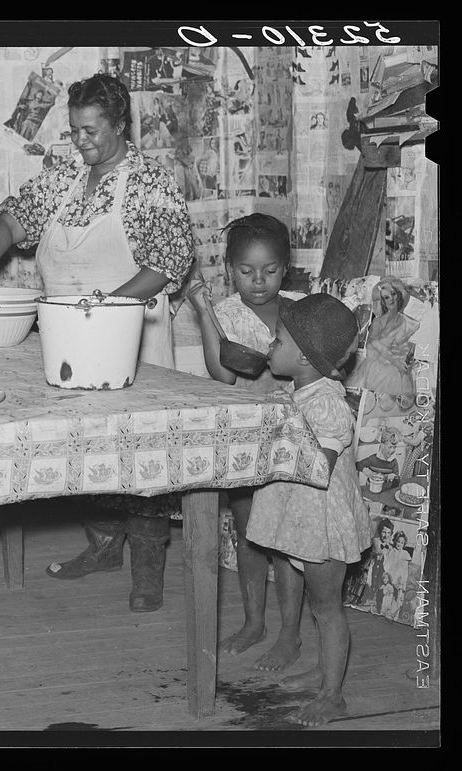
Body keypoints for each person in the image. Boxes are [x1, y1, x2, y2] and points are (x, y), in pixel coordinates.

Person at [0, 73, 195, 611]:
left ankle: (148, 570)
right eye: (75, 130)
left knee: (140, 455)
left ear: (120, 125)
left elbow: (167, 262)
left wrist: (108, 305)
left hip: (131, 334)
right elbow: (14, 219)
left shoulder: (150, 183)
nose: (80, 141)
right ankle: (104, 544)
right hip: (68, 335)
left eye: (91, 131)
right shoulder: (62, 175)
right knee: (80, 446)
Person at [244, 294, 371, 726]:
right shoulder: (296, 393)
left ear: (301, 354)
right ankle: (314, 663)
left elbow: (320, 467)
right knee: (290, 571)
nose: (269, 345)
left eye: (276, 339)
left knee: (326, 606)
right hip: (296, 514)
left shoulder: (328, 406)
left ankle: (332, 695)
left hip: (322, 522)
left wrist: (277, 437)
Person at [186, 214, 305, 670]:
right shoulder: (226, 314)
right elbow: (223, 374)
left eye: (270, 270)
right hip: (244, 441)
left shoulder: (299, 310)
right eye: (246, 271)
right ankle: (255, 622)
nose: (258, 281)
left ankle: (290, 633)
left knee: (289, 541)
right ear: (229, 268)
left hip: (292, 442)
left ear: (286, 267)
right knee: (252, 535)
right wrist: (201, 312)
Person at [345, 279, 419, 399]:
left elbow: (410, 349)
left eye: (393, 296)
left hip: (397, 374)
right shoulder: (378, 322)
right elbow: (372, 346)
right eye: (384, 298)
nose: (390, 300)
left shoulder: (410, 324)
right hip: (377, 370)